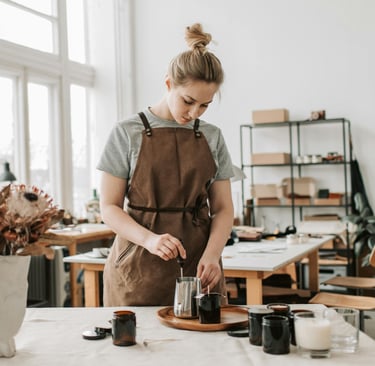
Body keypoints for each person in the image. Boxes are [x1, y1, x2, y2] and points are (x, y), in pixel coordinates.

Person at [97, 23, 234, 306]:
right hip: (138, 263)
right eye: (188, 101)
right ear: (169, 83)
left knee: (207, 345)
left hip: (199, 261)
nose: (194, 113)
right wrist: (149, 240)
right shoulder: (126, 132)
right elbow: (108, 208)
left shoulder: (212, 136)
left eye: (205, 105)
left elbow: (223, 208)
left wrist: (212, 254)